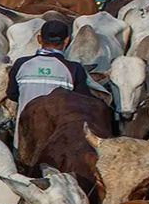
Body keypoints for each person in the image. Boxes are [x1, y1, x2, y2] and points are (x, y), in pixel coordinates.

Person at [7, 20, 89, 148]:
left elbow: (12, 94)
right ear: (67, 41)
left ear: (39, 39)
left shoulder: (21, 64)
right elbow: (83, 102)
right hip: (57, 142)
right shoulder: (74, 69)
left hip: (24, 137)